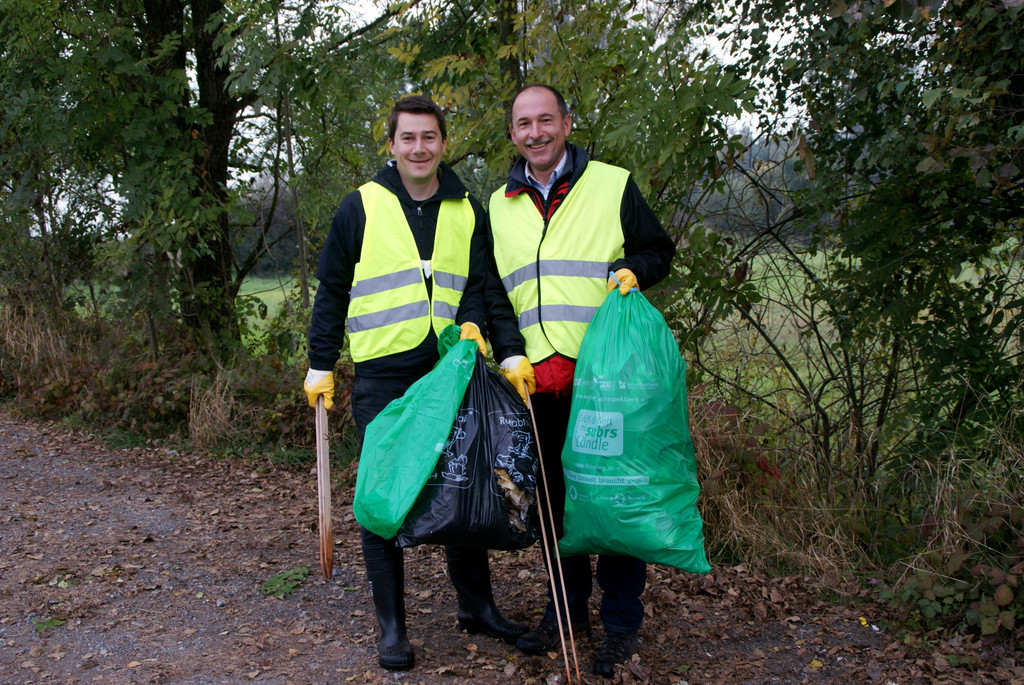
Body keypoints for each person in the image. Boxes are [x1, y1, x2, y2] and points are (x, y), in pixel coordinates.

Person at [303, 95, 526, 671]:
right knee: (383, 496)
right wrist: (320, 364)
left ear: (442, 143)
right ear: (393, 145)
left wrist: (504, 349)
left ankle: (477, 607)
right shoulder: (361, 207)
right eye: (409, 138)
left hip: (448, 369)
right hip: (382, 374)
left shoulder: (466, 207)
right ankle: (392, 628)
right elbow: (331, 290)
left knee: (463, 485)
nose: (420, 148)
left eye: (430, 137)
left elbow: (482, 286)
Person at [486, 84, 676, 677]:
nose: (536, 132)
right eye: (524, 123)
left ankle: (619, 626)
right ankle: (565, 615)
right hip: (532, 383)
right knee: (556, 510)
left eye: (547, 119)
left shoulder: (612, 184)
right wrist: (508, 350)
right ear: (513, 133)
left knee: (611, 503)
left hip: (605, 383)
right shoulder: (499, 203)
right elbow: (493, 289)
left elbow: (657, 251)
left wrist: (631, 272)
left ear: (567, 123)